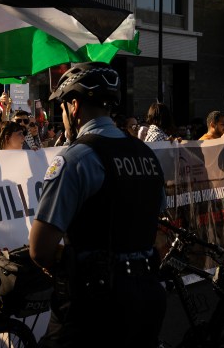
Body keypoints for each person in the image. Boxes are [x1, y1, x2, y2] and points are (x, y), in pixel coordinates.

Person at [29, 62, 167, 347]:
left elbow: (40, 249)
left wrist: (66, 261)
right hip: (148, 296)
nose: (63, 116)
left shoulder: (75, 159)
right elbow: (160, 232)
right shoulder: (146, 155)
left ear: (74, 106)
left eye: (63, 107)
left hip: (94, 305)